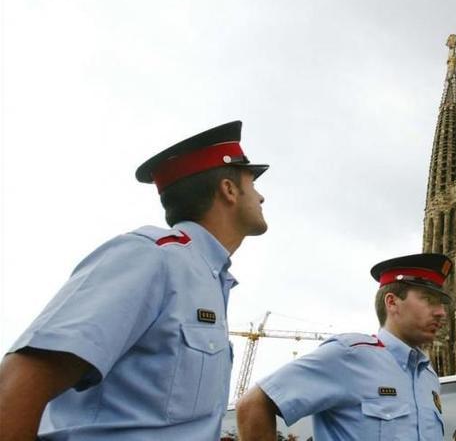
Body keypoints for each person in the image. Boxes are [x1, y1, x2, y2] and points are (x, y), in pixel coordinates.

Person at [0, 121, 269, 440]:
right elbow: (21, 381)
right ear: (228, 189)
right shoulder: (152, 257)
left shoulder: (209, 279)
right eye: (252, 184)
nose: (261, 197)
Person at [236, 253, 451, 440]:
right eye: (429, 300)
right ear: (392, 302)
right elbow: (253, 404)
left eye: (442, 304)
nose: (441, 312)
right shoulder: (349, 355)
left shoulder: (428, 376)